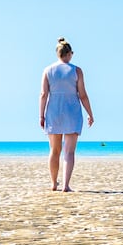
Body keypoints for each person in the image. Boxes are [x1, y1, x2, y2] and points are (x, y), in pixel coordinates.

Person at [39, 37, 94, 192]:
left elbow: (43, 94)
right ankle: (65, 185)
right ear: (70, 54)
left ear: (58, 53)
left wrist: (41, 115)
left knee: (54, 150)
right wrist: (90, 113)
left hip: (54, 111)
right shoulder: (76, 70)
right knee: (69, 152)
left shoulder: (48, 70)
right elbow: (83, 95)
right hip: (72, 111)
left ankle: (53, 183)